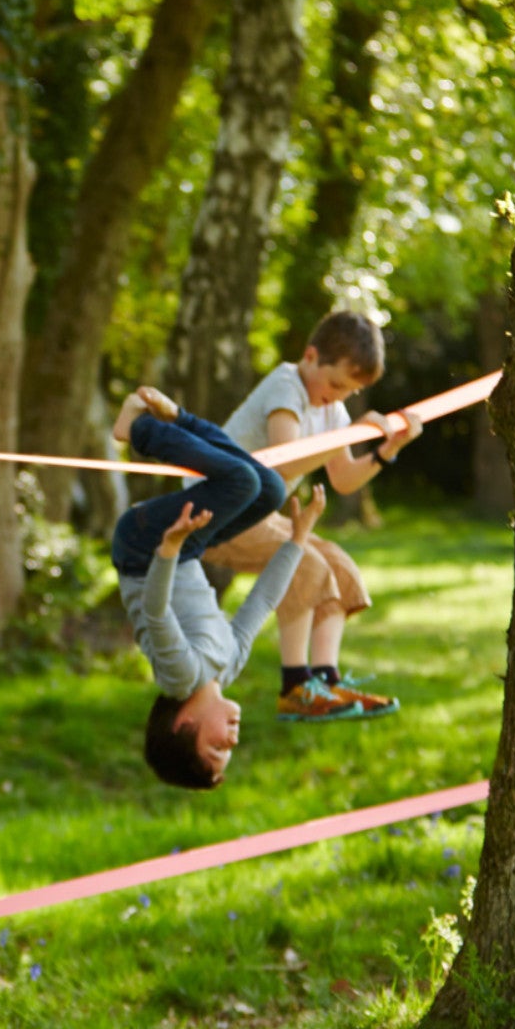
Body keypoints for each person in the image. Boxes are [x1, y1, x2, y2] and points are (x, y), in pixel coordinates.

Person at [207, 311, 421, 723]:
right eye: (337, 384)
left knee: (339, 567)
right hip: (217, 512)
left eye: (349, 392)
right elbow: (284, 461)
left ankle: (326, 680)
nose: (339, 397)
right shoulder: (286, 386)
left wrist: (385, 450)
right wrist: (348, 434)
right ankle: (296, 687)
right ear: (310, 356)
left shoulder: (331, 409)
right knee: (305, 565)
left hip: (255, 514)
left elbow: (343, 479)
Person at [112, 386, 327, 790]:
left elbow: (155, 611)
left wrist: (167, 549)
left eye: (216, 749)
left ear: (183, 724)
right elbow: (262, 601)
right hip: (182, 551)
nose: (232, 740)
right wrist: (297, 540)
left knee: (241, 483)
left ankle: (137, 429)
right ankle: (176, 417)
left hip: (144, 548)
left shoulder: (180, 676)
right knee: (269, 490)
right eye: (229, 751)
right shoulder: (227, 664)